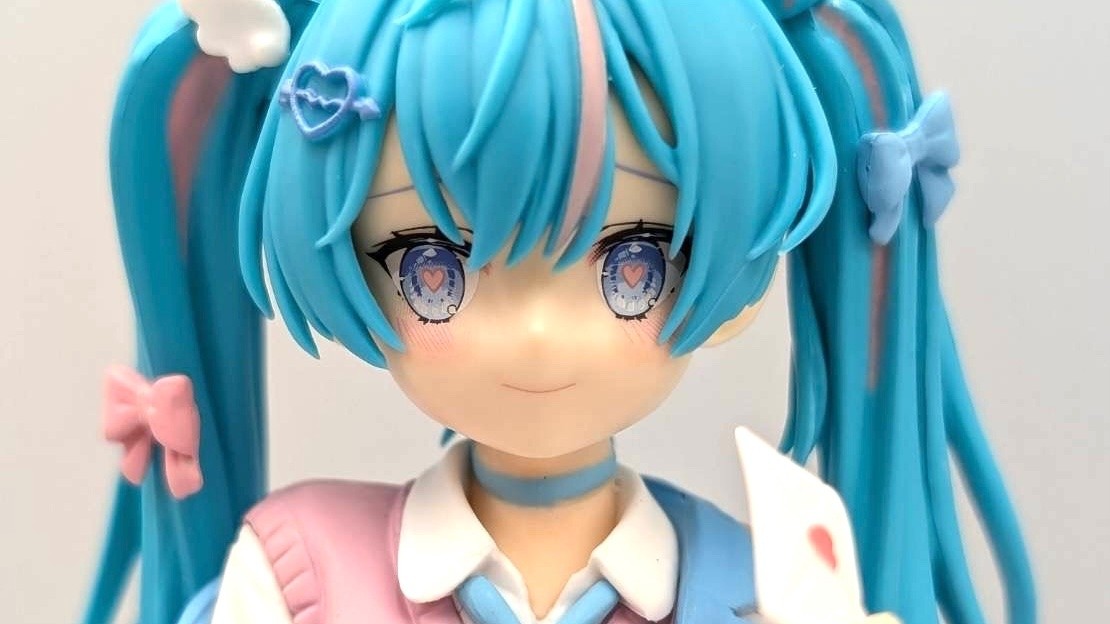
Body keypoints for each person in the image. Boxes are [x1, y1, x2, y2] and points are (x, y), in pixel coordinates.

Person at [85, 0, 1036, 623]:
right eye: (433, 270)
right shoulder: (300, 575)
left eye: (633, 266)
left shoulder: (767, 591)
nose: (537, 335)